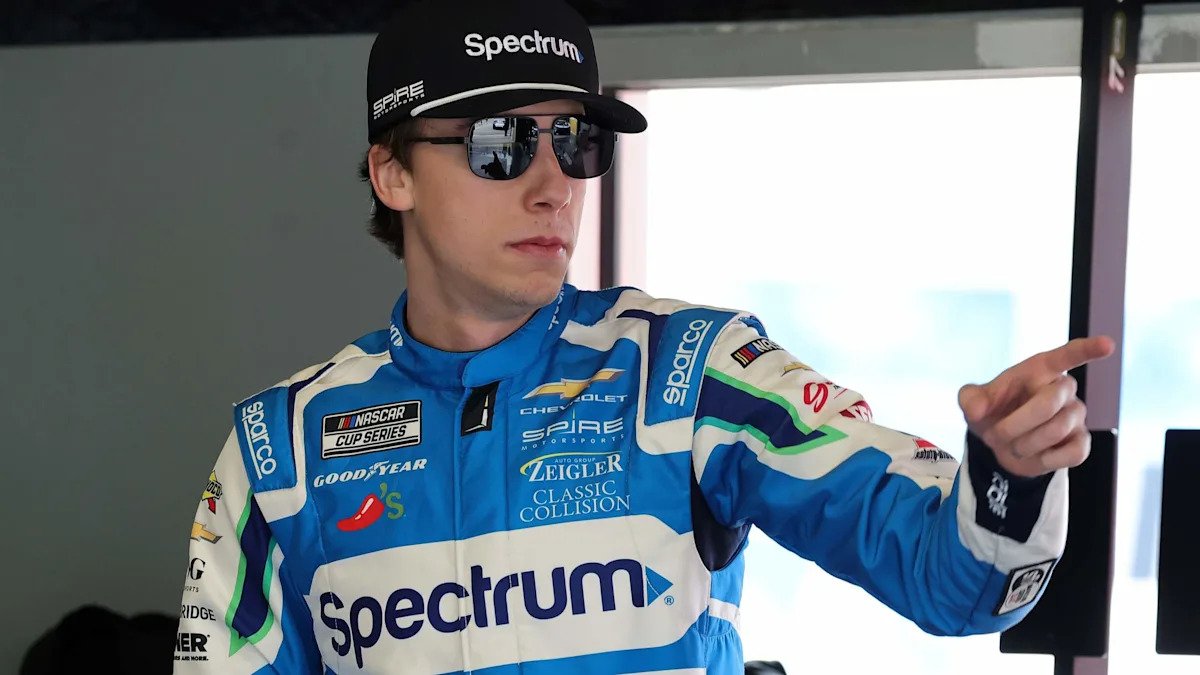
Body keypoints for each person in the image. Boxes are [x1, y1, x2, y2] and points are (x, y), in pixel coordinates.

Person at [173, 0, 1115, 672]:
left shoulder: (695, 373)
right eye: (502, 143)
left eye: (574, 142)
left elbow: (953, 583)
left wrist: (1009, 475)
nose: (554, 185)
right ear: (394, 174)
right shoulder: (280, 448)